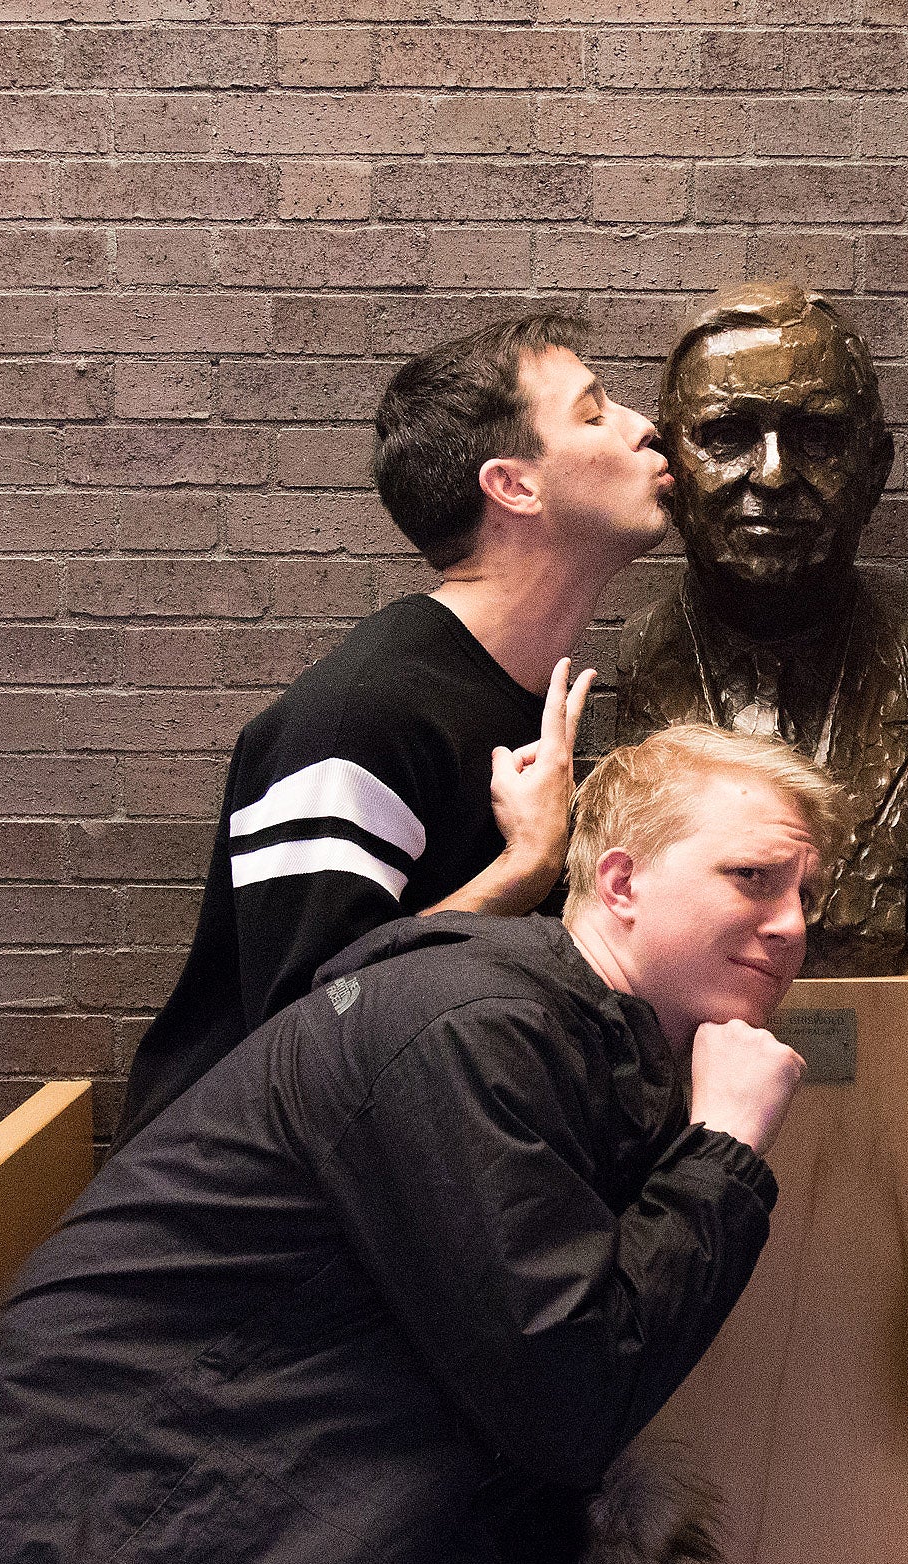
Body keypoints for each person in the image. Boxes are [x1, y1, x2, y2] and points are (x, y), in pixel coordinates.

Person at [0, 724, 849, 1564]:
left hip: (184, 1544)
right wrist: (720, 1151)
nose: (793, 922)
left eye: (806, 890)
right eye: (753, 877)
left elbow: (483, 1404)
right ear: (622, 882)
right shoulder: (475, 1032)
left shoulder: (571, 1047)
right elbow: (568, 1390)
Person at [115, 310, 671, 1144]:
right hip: (231, 1241)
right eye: (594, 412)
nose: (642, 426)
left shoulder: (517, 701)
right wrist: (527, 867)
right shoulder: (360, 718)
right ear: (513, 485)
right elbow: (307, 1034)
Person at [614, 282, 908, 975]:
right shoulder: (645, 658)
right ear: (672, 469)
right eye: (728, 435)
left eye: (817, 438)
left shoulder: (898, 659)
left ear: (876, 470)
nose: (775, 476)